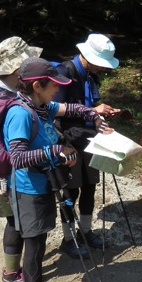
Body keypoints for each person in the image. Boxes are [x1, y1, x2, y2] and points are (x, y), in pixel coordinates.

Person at [4, 57, 113, 282]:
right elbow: (16, 157)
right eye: (53, 85)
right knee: (35, 246)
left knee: (38, 243)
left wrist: (92, 115)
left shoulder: (40, 106)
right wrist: (57, 151)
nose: (57, 89)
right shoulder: (20, 113)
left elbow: (70, 108)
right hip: (27, 190)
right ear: (37, 85)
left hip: (40, 185)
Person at [0, 36, 42, 282]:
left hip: (11, 168)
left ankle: (17, 269)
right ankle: (10, 276)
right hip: (2, 171)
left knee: (17, 220)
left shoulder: (10, 91)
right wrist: (5, 175)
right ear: (18, 69)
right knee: (15, 221)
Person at [54, 33, 124, 258]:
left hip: (88, 138)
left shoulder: (90, 74)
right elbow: (54, 108)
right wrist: (94, 112)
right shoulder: (64, 73)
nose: (103, 69)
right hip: (67, 142)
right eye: (100, 64)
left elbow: (91, 105)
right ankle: (69, 238)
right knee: (70, 191)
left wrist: (100, 121)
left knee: (90, 186)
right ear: (87, 56)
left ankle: (86, 231)